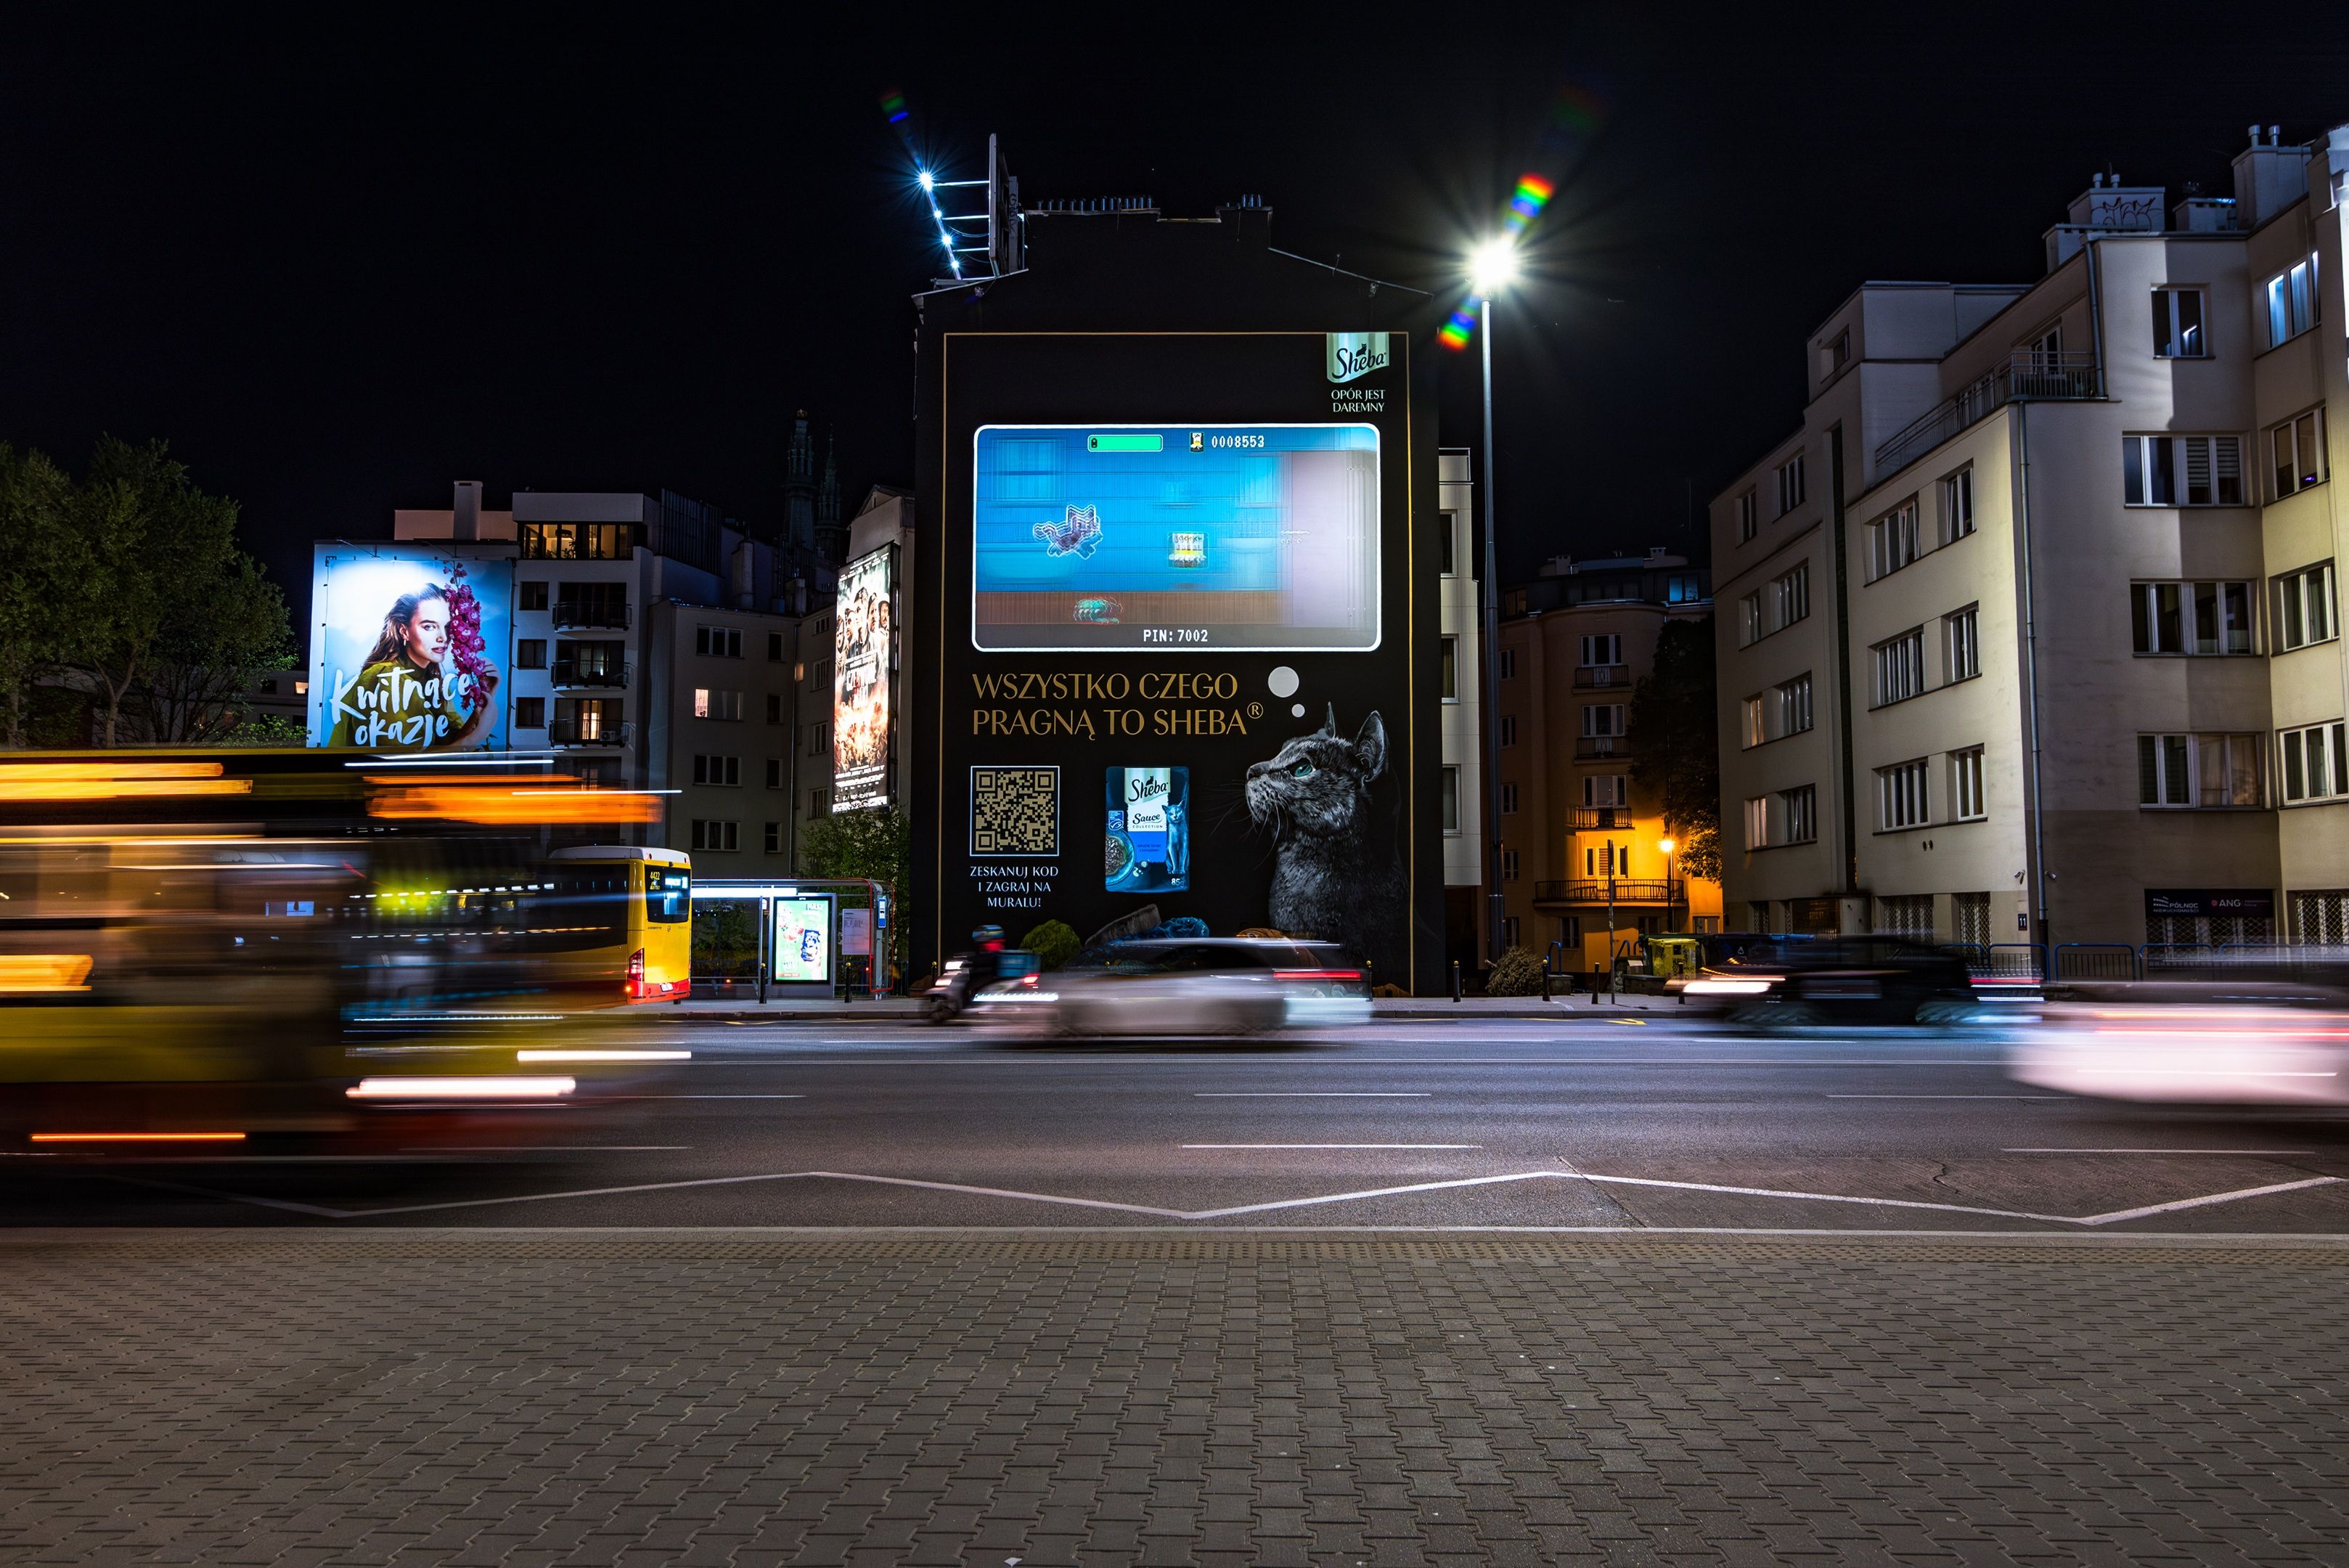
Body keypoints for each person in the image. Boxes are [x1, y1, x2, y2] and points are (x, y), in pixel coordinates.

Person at [324, 585, 499, 750]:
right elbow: (405, 762)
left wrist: (484, 699)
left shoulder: (430, 681)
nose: (443, 637)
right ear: (404, 631)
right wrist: (479, 734)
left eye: (448, 627)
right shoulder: (387, 678)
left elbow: (451, 741)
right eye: (429, 626)